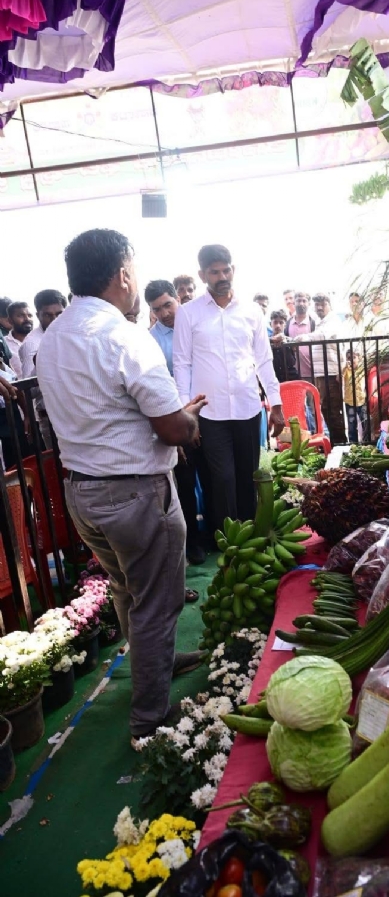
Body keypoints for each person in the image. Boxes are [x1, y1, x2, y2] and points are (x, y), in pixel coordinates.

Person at [36, 228, 208, 746]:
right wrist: (189, 420)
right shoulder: (123, 335)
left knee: (127, 590)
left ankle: (158, 663)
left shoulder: (53, 338)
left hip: (84, 494)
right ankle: (149, 721)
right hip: (134, 495)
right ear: (123, 275)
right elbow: (172, 429)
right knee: (155, 602)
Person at [173, 244, 284, 537]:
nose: (222, 277)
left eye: (226, 270)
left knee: (247, 478)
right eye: (214, 272)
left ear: (233, 270)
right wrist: (187, 413)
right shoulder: (188, 313)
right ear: (202, 275)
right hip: (210, 413)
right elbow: (182, 364)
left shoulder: (252, 311)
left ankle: (249, 538)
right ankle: (226, 541)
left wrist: (276, 404)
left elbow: (264, 360)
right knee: (222, 478)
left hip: (248, 408)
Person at [145, 279, 206, 569]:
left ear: (177, 299)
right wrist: (184, 423)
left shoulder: (196, 323)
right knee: (184, 482)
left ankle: (216, 533)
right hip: (178, 418)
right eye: (157, 309)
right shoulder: (150, 341)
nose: (164, 313)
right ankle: (193, 542)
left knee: (213, 477)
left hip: (210, 412)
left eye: (168, 304)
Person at [293, 293, 345, 444]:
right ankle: (335, 443)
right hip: (321, 373)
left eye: (323, 304)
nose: (320, 307)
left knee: (333, 410)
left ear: (330, 305)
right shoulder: (319, 321)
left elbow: (323, 335)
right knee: (325, 409)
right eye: (317, 304)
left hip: (331, 372)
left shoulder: (333, 320)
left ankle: (340, 443)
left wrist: (305, 337)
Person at [20, 289, 67, 448]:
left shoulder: (71, 334)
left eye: (59, 314)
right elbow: (29, 391)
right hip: (52, 420)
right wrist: (40, 366)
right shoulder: (32, 344)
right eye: (48, 315)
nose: (54, 320)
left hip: (78, 413)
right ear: (38, 315)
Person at [343, 349, 368, 444]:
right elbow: (339, 377)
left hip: (362, 400)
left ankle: (366, 442)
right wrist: (345, 366)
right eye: (349, 358)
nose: (351, 360)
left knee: (365, 423)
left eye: (354, 357)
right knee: (351, 425)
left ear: (359, 358)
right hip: (350, 402)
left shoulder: (362, 369)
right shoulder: (346, 370)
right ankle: (353, 444)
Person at [269, 309, 299, 382]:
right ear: (270, 324)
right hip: (273, 378)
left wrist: (285, 345)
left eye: (281, 323)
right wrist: (272, 340)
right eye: (275, 322)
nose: (278, 325)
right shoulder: (266, 341)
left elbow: (292, 362)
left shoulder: (290, 340)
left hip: (289, 378)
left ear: (285, 325)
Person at [5, 302, 33, 378]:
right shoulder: (4, 345)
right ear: (10, 320)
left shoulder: (41, 339)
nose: (27, 319)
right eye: (20, 316)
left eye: (30, 315)